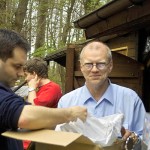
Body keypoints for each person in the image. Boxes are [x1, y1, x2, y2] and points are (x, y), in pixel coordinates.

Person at [0, 29, 87, 150]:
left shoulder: (52, 88)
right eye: (16, 66)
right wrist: (71, 113)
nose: (21, 74)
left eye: (23, 69)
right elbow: (26, 115)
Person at [58, 41, 146, 142]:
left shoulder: (131, 99)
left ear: (110, 66)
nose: (94, 69)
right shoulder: (66, 103)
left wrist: (133, 139)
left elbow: (146, 142)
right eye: (88, 64)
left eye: (101, 64)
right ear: (81, 67)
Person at [23, 57, 62, 149]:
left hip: (40, 138)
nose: (25, 79)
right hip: (33, 134)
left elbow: (32, 111)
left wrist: (31, 88)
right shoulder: (42, 89)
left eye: (26, 75)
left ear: (34, 74)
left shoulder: (52, 88)